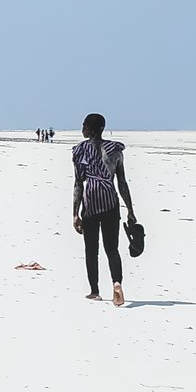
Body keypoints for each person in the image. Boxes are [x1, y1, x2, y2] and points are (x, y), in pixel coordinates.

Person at [71, 112, 136, 306]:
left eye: (84, 125)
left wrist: (75, 213)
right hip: (110, 202)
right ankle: (116, 283)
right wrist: (130, 210)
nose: (82, 129)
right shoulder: (115, 150)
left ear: (90, 129)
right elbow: (122, 183)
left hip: (90, 202)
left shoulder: (80, 151)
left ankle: (95, 291)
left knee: (91, 249)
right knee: (112, 249)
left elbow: (78, 184)